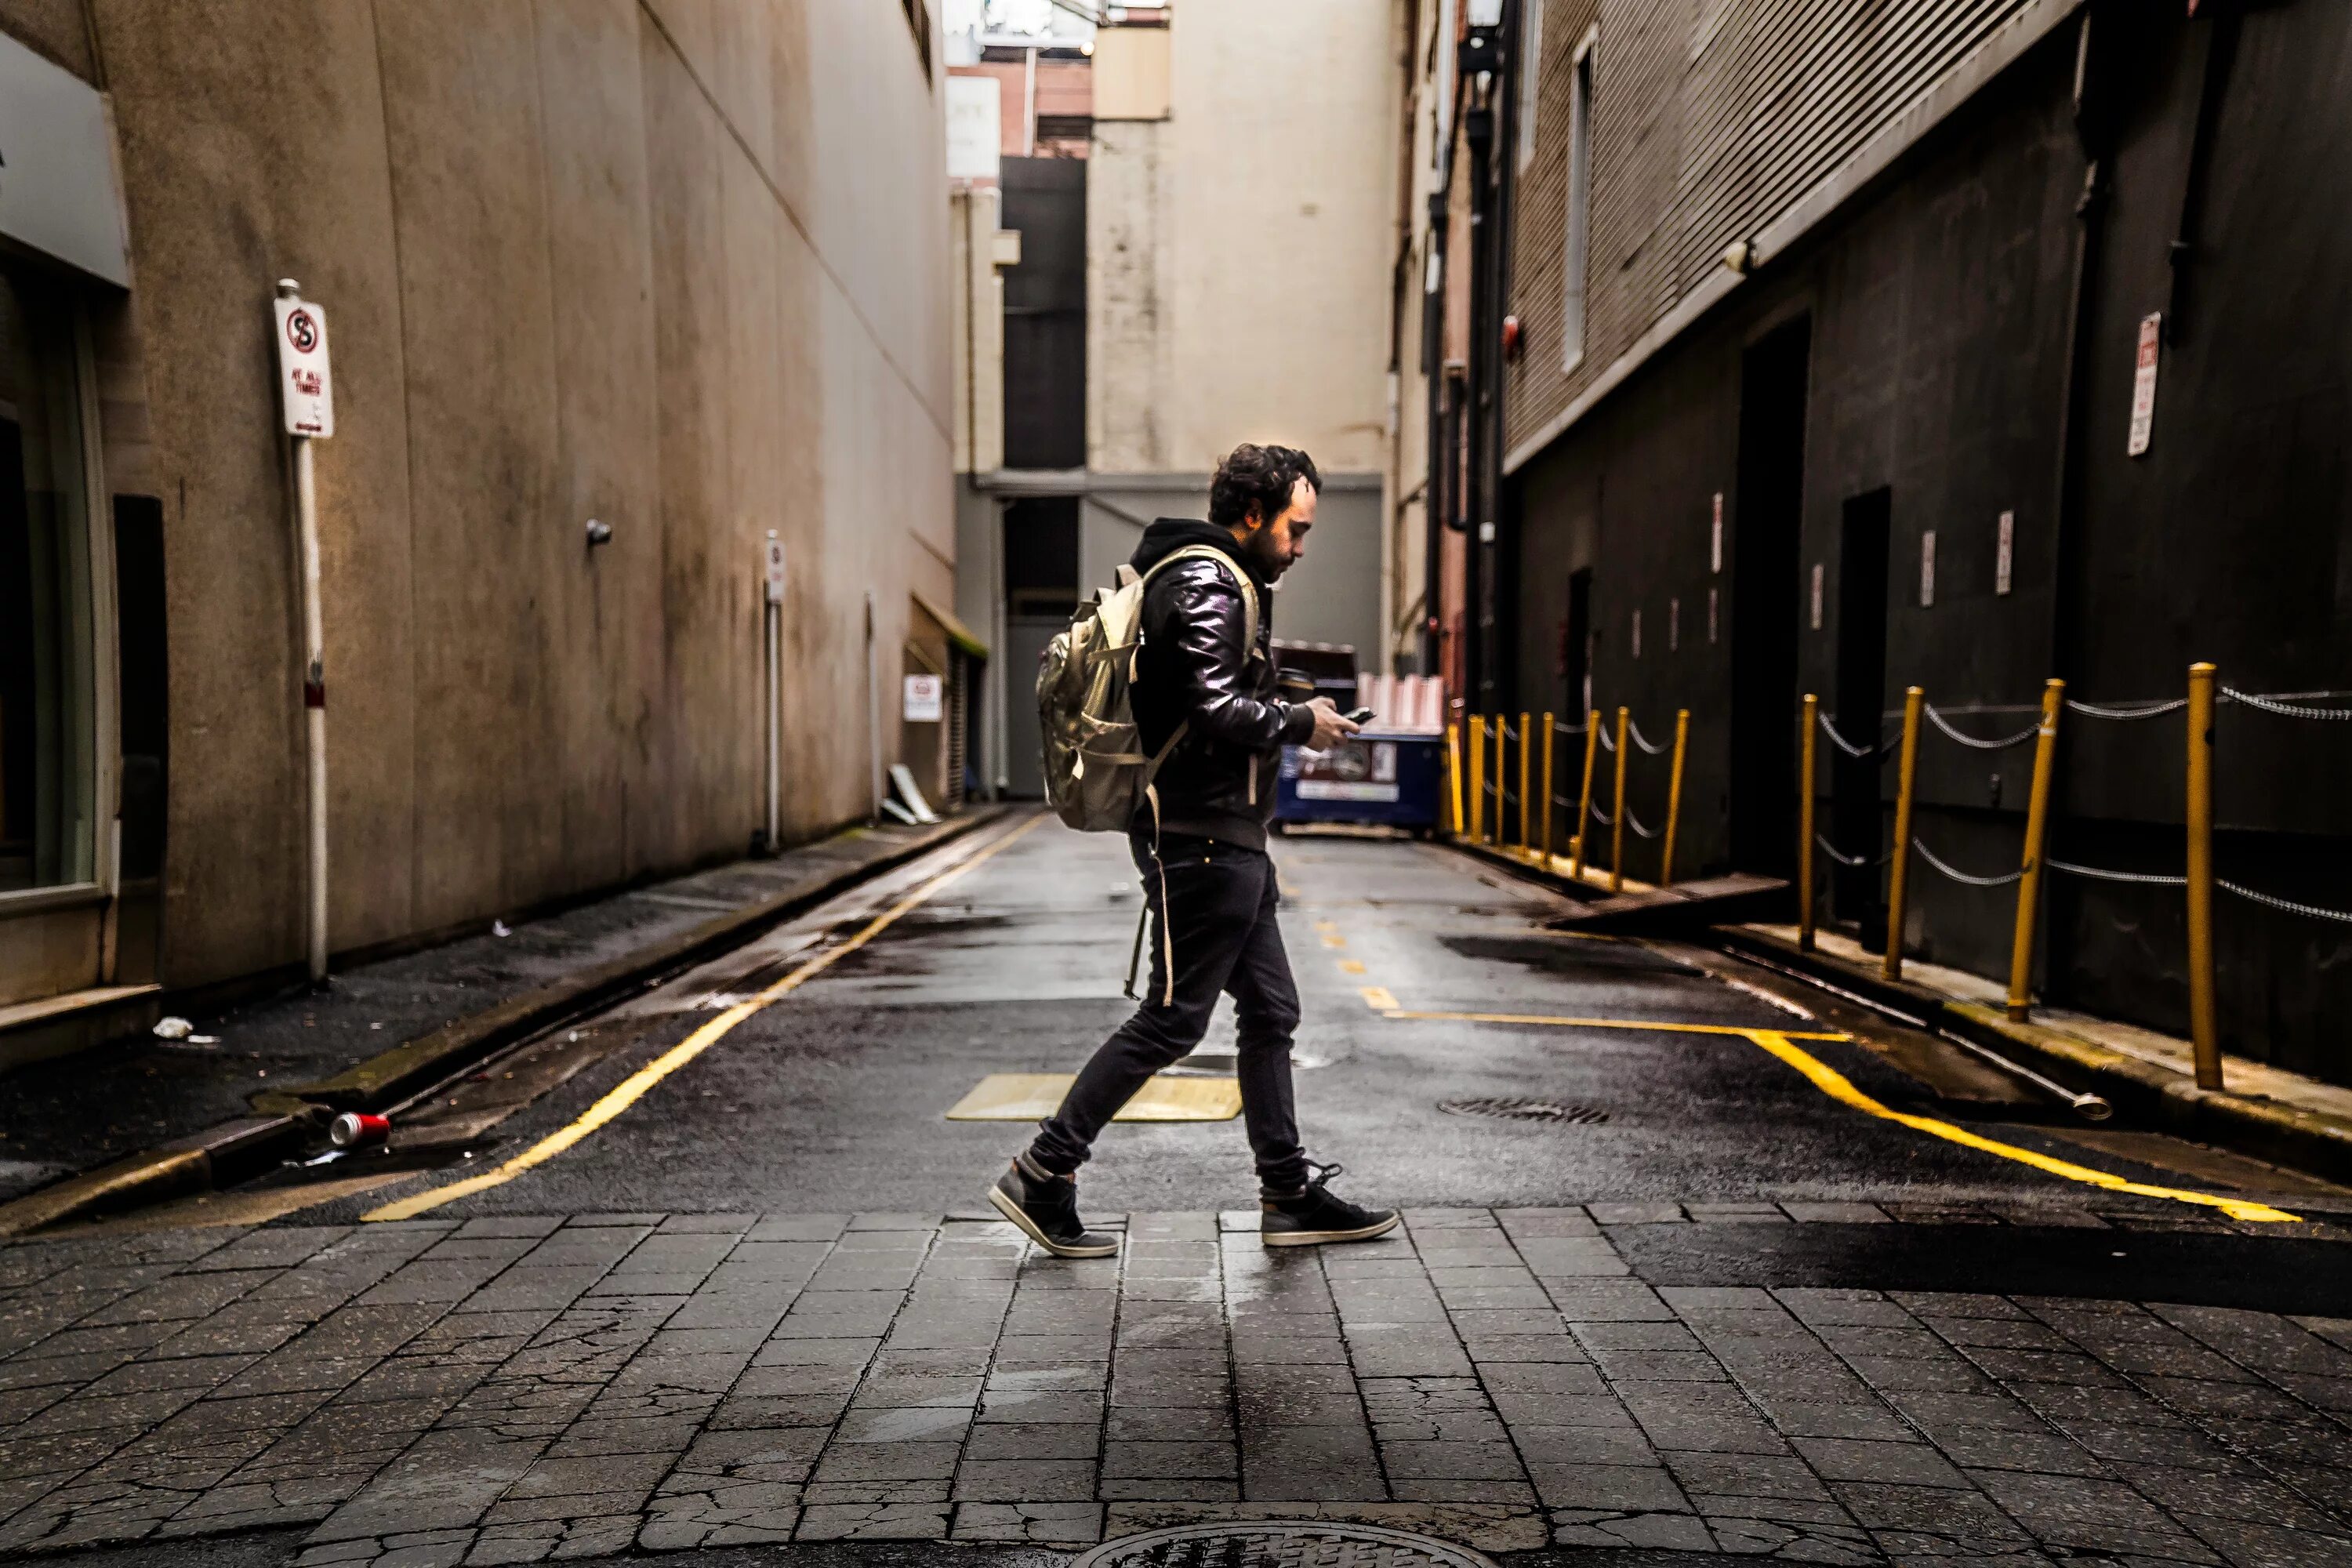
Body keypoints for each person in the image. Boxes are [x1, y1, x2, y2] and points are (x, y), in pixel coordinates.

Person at [989, 443, 1399, 1257]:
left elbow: (1212, 688)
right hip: (1201, 836)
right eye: (1295, 528)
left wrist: (1290, 699)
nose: (1301, 546)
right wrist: (1297, 721)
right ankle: (1044, 1169)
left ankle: (1286, 1193)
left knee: (1271, 1009)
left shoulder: (1208, 576)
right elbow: (1213, 707)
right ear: (1253, 515)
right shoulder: (1210, 580)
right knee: (1174, 1017)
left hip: (1226, 834)